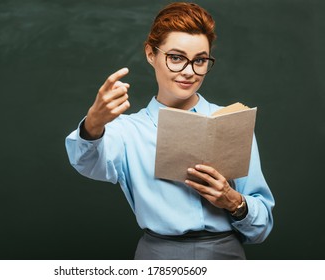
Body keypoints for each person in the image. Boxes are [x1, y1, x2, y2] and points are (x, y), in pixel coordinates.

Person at [65, 2, 274, 260]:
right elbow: (86, 163)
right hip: (157, 257)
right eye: (176, 58)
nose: (189, 72)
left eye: (200, 61)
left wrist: (232, 201)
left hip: (226, 257)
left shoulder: (232, 122)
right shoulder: (127, 131)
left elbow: (262, 226)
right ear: (151, 54)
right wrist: (93, 124)